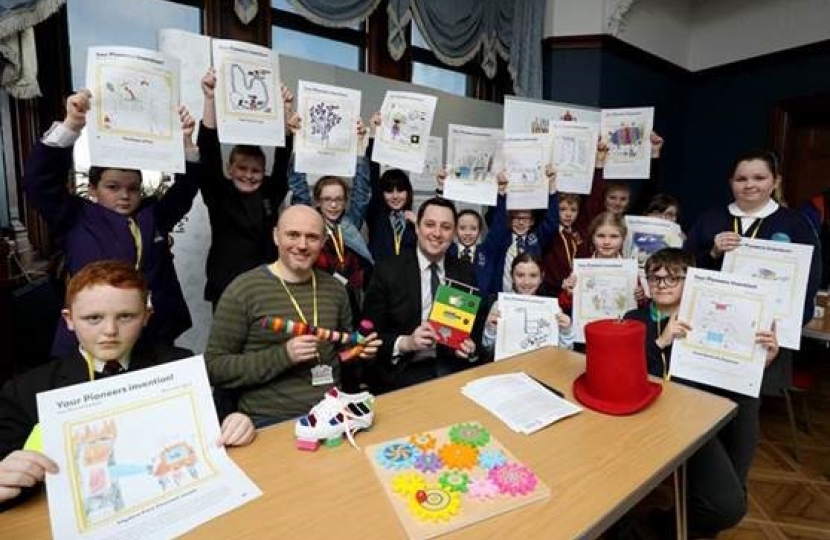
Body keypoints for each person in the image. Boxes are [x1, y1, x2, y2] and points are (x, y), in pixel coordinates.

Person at [0, 261, 255, 511]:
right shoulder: (25, 392)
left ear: (146, 317)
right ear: (69, 320)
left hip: (176, 503)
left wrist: (235, 422)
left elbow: (214, 425)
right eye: (93, 318)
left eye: (125, 316)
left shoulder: (179, 364)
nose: (110, 330)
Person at [23, 90, 199, 356]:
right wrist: (72, 124)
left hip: (154, 334)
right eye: (113, 187)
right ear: (93, 188)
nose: (125, 196)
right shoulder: (74, 216)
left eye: (133, 188)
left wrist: (185, 142)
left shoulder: (153, 216)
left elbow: (186, 189)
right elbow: (38, 181)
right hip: (92, 338)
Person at [623, 248, 779, 538]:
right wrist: (661, 341)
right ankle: (657, 528)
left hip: (729, 408)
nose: (662, 284)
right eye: (655, 278)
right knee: (728, 508)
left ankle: (670, 524)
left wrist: (763, 360)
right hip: (675, 420)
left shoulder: (714, 313)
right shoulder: (634, 319)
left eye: (673, 278)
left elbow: (737, 376)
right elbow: (627, 380)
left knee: (730, 496)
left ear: (691, 281)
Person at [205, 205, 381, 427]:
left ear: (324, 241)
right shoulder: (243, 290)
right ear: (276, 236)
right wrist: (283, 355)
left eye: (312, 237)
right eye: (293, 235)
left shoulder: (336, 290)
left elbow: (342, 355)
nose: (302, 245)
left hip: (332, 415)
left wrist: (361, 352)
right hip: (269, 422)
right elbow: (214, 367)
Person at [684, 150, 822, 326]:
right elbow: (682, 266)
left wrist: (792, 323)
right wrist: (712, 253)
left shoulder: (795, 223)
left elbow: (810, 277)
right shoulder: (710, 219)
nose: (749, 185)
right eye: (741, 179)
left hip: (771, 328)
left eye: (759, 178)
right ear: (731, 183)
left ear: (775, 181)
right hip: (713, 319)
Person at [197, 68, 296, 309]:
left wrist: (284, 110)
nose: (249, 176)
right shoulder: (219, 193)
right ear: (230, 169)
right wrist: (210, 98)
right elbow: (208, 152)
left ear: (264, 173)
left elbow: (283, 158)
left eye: (256, 171)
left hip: (268, 288)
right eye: (242, 168)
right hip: (227, 290)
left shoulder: (270, 193)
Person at [362, 197, 480, 392]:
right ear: (417, 227)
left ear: (453, 234)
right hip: (403, 371)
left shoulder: (465, 271)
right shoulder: (387, 270)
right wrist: (407, 343)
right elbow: (368, 336)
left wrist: (468, 348)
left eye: (446, 227)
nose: (437, 233)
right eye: (430, 225)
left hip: (453, 368)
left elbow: (473, 328)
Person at [287, 118, 373, 291]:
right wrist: (297, 145)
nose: (333, 205)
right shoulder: (309, 222)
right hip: (316, 292)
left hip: (350, 292)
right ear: (318, 201)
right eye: (327, 199)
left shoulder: (350, 223)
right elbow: (298, 186)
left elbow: (362, 191)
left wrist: (359, 151)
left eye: (339, 199)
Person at [475, 166, 559, 298]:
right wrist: (501, 193)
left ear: (532, 221)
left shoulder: (536, 238)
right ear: (509, 220)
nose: (520, 222)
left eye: (525, 219)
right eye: (516, 218)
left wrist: (552, 186)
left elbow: (552, 223)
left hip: (531, 297)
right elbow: (498, 222)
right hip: (502, 298)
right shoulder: (502, 239)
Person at [481, 252, 574, 358]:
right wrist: (490, 329)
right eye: (520, 275)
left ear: (541, 277)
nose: (526, 282)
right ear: (512, 276)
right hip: (508, 368)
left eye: (533, 276)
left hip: (542, 368)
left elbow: (565, 352)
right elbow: (488, 350)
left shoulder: (552, 308)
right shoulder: (499, 306)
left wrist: (566, 331)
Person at [559, 212, 646, 313]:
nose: (607, 242)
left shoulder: (630, 269)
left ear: (623, 239)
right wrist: (568, 294)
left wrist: (640, 298)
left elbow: (640, 307)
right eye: (601, 236)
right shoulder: (581, 269)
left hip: (620, 326)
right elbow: (564, 305)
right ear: (592, 237)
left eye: (614, 236)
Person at [365, 113, 418, 262]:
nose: (395, 196)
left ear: (408, 192)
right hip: (378, 281)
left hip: (406, 282)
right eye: (389, 191)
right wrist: (374, 136)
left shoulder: (414, 222)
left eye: (400, 190)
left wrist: (418, 226)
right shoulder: (377, 214)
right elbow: (372, 177)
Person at [542, 192, 590, 296]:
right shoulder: (550, 233)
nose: (568, 214)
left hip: (576, 290)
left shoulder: (578, 233)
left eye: (573, 210)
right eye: (562, 209)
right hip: (552, 290)